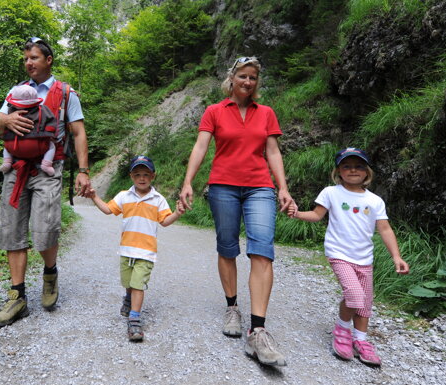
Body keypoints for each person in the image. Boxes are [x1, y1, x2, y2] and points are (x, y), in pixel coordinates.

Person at [179, 56, 294, 367]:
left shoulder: (266, 113)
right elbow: (201, 147)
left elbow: (273, 151)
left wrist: (282, 188)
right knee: (227, 246)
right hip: (223, 187)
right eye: (243, 76)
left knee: (262, 250)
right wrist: (188, 181)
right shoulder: (215, 111)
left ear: (257, 82)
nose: (248, 82)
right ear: (232, 79)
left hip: (260, 186)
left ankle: (257, 330)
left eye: (253, 78)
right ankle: (232, 307)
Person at [0, 37, 92, 327]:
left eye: (34, 57)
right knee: (12, 228)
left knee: (45, 229)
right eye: (25, 59)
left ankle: (50, 272)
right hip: (16, 168)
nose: (28, 63)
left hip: (48, 168)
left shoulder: (66, 93)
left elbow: (78, 133)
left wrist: (83, 170)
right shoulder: (16, 91)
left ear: (48, 60)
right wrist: (6, 122)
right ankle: (17, 296)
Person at [288, 147, 409, 366]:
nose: (353, 170)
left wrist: (396, 257)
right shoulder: (331, 192)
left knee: (365, 304)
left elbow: (385, 229)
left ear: (367, 172)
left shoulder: (375, 201)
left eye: (359, 166)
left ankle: (360, 340)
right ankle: (342, 330)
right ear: (338, 171)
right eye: (347, 166)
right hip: (339, 253)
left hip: (365, 258)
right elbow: (316, 215)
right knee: (354, 296)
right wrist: (296, 213)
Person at [86, 155, 185, 342]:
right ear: (131, 176)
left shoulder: (158, 199)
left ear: (153, 176)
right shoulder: (124, 196)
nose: (142, 178)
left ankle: (134, 318)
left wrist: (178, 213)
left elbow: (164, 221)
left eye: (146, 174)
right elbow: (108, 210)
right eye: (138, 174)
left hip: (146, 252)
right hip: (126, 250)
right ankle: (128, 298)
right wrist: (94, 196)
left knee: (138, 284)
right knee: (128, 282)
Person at [0, 84, 57, 176]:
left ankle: (7, 162)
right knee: (52, 145)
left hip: (14, 146)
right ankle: (47, 164)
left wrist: (4, 134)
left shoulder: (11, 111)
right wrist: (49, 133)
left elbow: (2, 128)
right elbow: (52, 124)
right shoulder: (43, 109)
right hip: (37, 147)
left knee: (5, 145)